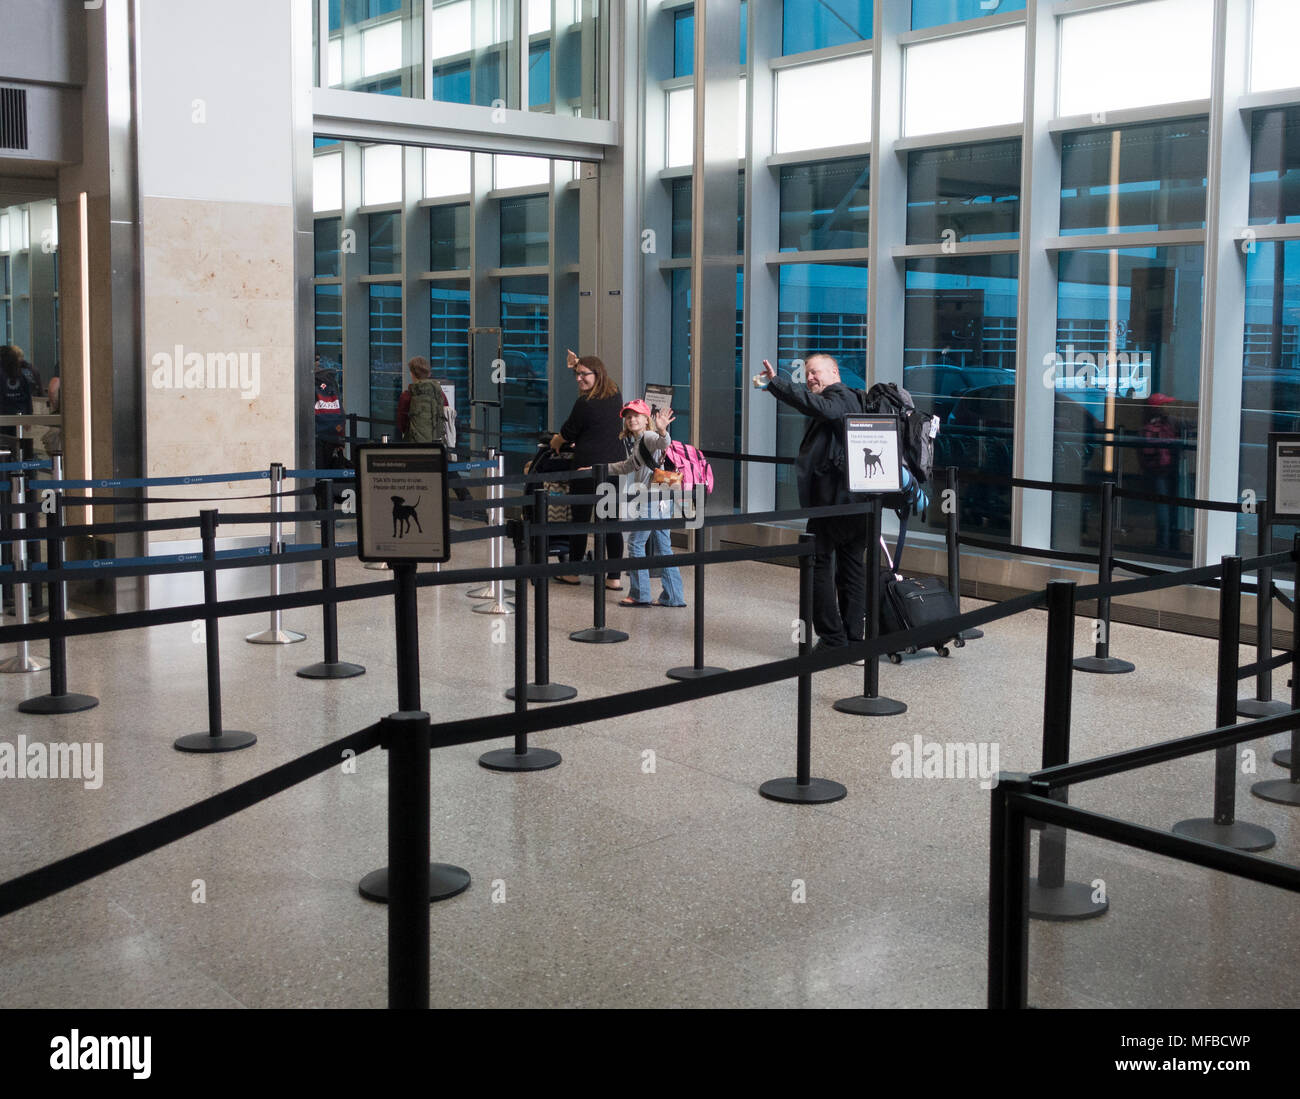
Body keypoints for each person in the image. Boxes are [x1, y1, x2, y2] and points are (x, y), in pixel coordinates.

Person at [756, 354, 867, 650]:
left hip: (835, 503)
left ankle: (834, 638)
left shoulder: (839, 397)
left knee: (818, 563)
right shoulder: (854, 399)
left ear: (835, 371)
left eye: (815, 372)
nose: (810, 378)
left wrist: (777, 385)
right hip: (855, 503)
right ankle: (854, 639)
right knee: (852, 568)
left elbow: (817, 406)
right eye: (807, 374)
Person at [551, 354, 625, 589]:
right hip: (611, 466)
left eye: (584, 374)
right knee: (611, 520)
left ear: (597, 375)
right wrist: (578, 363)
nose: (579, 378)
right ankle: (613, 577)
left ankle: (573, 572)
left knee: (580, 519)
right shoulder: (615, 394)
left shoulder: (585, 403)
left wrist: (556, 441)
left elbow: (569, 431)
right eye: (577, 374)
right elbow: (597, 427)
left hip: (585, 466)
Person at [603, 399, 685, 608]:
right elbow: (627, 466)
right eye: (628, 416)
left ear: (646, 418)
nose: (631, 419)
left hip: (652, 498)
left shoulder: (648, 437)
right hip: (662, 498)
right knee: (664, 547)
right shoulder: (639, 443)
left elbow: (662, 442)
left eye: (636, 415)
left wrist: (663, 431)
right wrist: (598, 468)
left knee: (636, 544)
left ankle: (640, 595)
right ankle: (673, 596)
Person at [1138, 392, 1180, 553]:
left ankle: (1164, 542)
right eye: (1166, 405)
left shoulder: (1147, 425)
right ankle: (1166, 543)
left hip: (1157, 471)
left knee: (1163, 507)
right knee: (1165, 508)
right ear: (1159, 407)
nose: (1168, 408)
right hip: (1165, 470)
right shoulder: (1167, 422)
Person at [397, 357, 448, 443]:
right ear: (429, 374)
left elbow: (402, 424)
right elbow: (445, 416)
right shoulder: (440, 395)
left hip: (413, 445)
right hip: (436, 444)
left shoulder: (406, 396)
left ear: (412, 374)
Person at [312, 361, 347, 470]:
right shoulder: (331, 381)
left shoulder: (309, 380)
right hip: (334, 434)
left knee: (317, 474)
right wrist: (341, 439)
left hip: (317, 434)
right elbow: (339, 407)